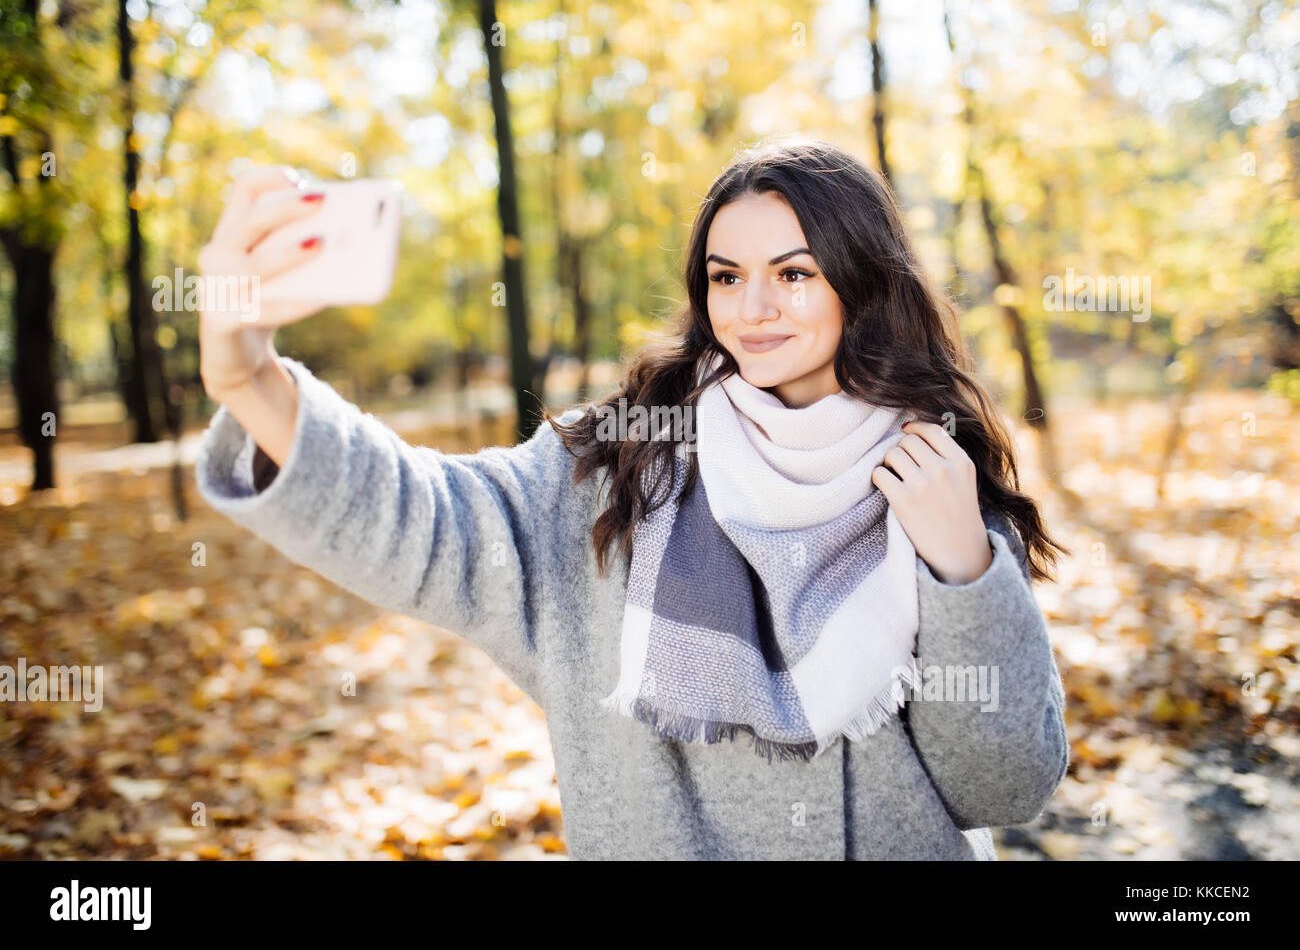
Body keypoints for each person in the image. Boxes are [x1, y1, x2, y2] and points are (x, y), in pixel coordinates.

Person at [194, 138, 1070, 860]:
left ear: (863, 279)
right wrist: (250, 379)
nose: (753, 308)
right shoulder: (616, 467)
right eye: (726, 277)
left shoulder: (930, 472)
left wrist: (965, 572)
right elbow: (428, 519)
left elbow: (1002, 788)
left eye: (794, 274)